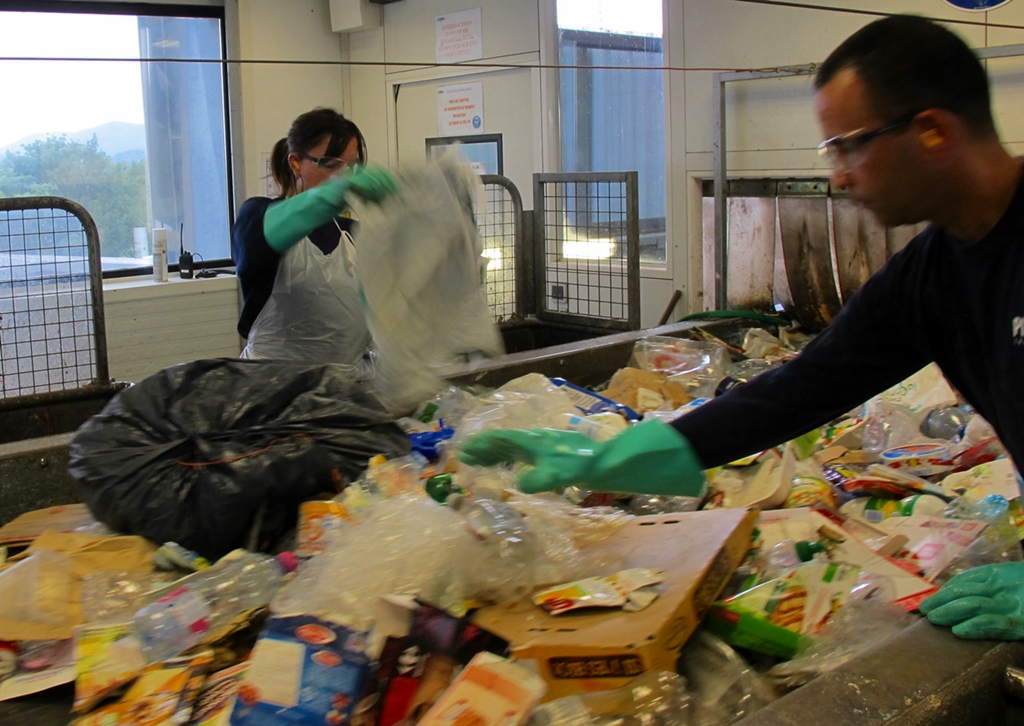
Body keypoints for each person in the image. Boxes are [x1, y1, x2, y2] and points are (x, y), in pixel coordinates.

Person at [459, 15, 1024, 640]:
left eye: (849, 146)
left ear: (934, 132)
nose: (837, 174)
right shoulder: (931, 275)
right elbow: (796, 390)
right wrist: (607, 459)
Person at [231, 107, 398, 363]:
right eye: (331, 164)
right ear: (295, 162)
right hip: (270, 390)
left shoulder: (353, 234)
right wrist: (330, 195)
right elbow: (263, 234)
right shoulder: (256, 217)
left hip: (340, 389)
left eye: (352, 168)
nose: (343, 175)